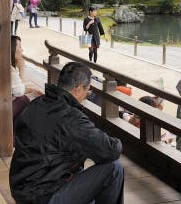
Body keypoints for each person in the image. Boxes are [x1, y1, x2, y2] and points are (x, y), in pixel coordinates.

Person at [10, 61, 124, 204]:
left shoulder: (36, 104)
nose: (86, 95)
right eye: (87, 91)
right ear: (78, 88)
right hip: (44, 195)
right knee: (114, 168)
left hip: (21, 188)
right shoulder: (70, 117)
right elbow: (111, 150)